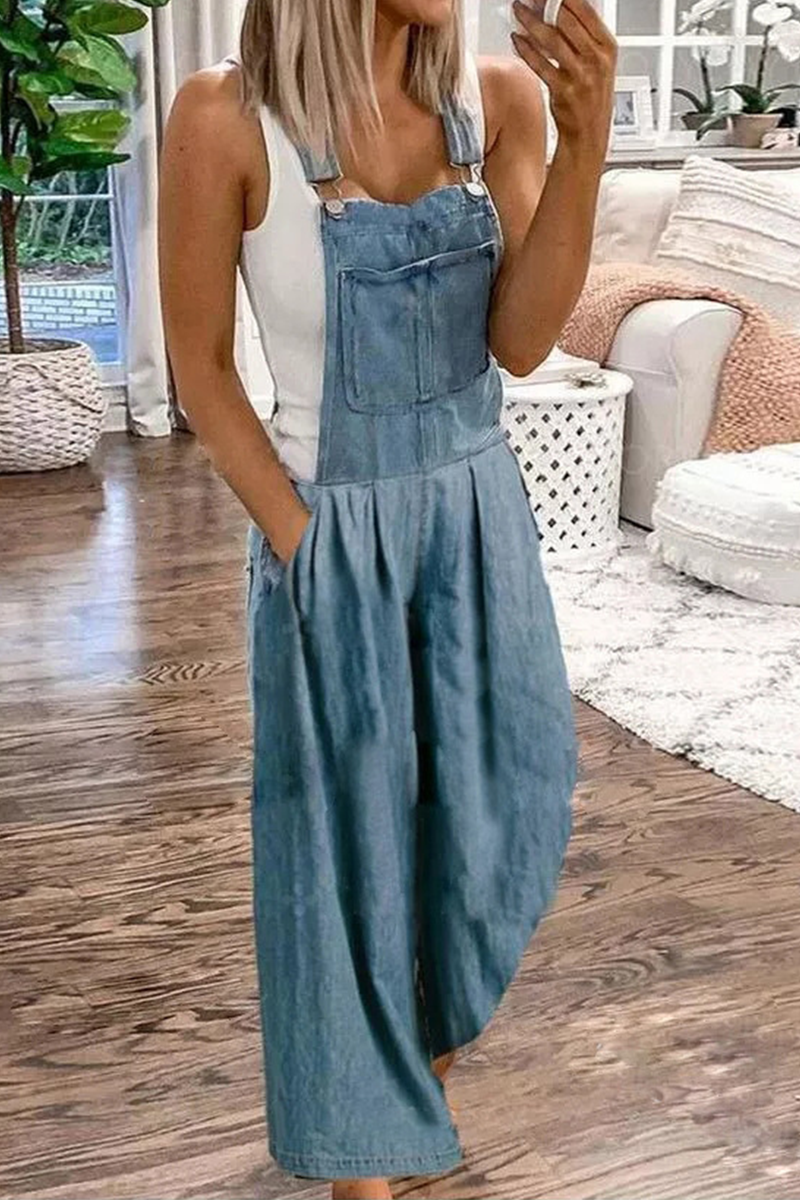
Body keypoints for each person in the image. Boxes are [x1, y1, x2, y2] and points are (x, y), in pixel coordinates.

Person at [158, 2, 616, 1197]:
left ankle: (412, 1082)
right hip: (331, 528)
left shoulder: (494, 102)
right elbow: (200, 367)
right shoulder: (225, 117)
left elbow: (520, 344)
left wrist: (584, 144)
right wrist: (302, 544)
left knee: (494, 809)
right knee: (347, 848)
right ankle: (364, 1152)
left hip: (476, 516)